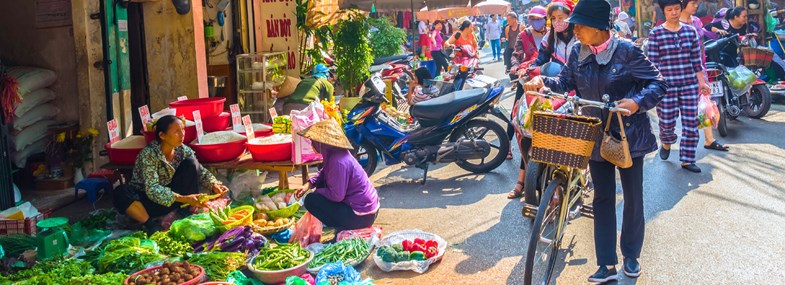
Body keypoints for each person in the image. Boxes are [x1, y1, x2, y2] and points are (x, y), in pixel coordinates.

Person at [524, 0, 667, 281]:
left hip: (628, 136)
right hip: (595, 132)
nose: (574, 30)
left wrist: (637, 102)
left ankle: (631, 256)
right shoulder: (579, 51)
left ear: (600, 27)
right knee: (602, 197)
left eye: (580, 25)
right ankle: (606, 264)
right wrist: (542, 81)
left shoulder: (627, 51)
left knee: (633, 197)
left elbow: (658, 83)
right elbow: (565, 83)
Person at [113, 115, 229, 234]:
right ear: (162, 135)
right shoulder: (149, 154)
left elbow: (201, 172)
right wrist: (182, 198)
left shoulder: (183, 150)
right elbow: (152, 189)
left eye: (183, 130)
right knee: (121, 192)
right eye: (177, 132)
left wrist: (214, 184)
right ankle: (150, 224)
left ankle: (186, 211)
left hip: (177, 199)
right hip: (148, 201)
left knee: (191, 163)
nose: (182, 134)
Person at [648, 0, 711, 173]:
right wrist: (654, 86)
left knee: (691, 123)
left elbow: (696, 60)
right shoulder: (656, 34)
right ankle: (667, 142)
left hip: (689, 84)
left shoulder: (690, 31)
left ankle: (687, 159)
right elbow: (653, 65)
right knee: (667, 121)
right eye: (670, 10)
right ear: (664, 12)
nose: (674, 12)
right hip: (666, 86)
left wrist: (702, 82)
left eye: (677, 9)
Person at [295, 119, 379, 231]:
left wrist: (315, 192)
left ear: (321, 143)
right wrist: (309, 184)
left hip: (362, 216)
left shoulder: (338, 161)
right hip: (368, 209)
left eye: (313, 141)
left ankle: (340, 227)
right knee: (320, 186)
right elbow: (325, 172)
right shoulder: (336, 153)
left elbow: (337, 196)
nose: (311, 144)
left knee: (311, 200)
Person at [507, 6, 549, 198]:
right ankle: (519, 176)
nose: (535, 22)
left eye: (539, 18)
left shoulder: (553, 35)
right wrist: (516, 67)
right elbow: (516, 55)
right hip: (526, 82)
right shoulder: (524, 35)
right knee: (519, 121)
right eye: (532, 18)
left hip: (548, 84)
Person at [680, 0, 730, 152]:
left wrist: (717, 33)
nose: (697, 6)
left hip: (700, 68)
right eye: (693, 3)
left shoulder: (696, 21)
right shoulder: (676, 25)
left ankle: (709, 139)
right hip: (683, 72)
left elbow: (704, 37)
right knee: (687, 108)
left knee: (706, 102)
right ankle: (671, 140)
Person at [533, 0, 579, 68]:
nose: (556, 22)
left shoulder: (580, 37)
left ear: (570, 17)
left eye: (560, 17)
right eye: (553, 18)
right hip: (557, 78)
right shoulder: (549, 37)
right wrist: (530, 69)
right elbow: (541, 60)